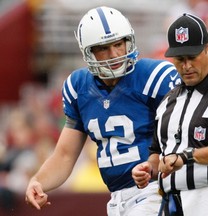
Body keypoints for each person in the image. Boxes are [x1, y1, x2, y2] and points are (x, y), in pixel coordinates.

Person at [25, 6, 181, 216]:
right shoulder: (78, 87)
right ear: (88, 51)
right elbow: (64, 155)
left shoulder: (153, 76)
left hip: (156, 190)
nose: (114, 54)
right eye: (103, 48)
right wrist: (38, 181)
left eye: (119, 44)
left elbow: (183, 134)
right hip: (117, 199)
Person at [132, 13, 208, 216]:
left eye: (192, 57)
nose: (186, 65)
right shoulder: (168, 100)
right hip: (173, 202)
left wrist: (189, 156)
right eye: (180, 59)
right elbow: (159, 152)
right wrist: (148, 169)